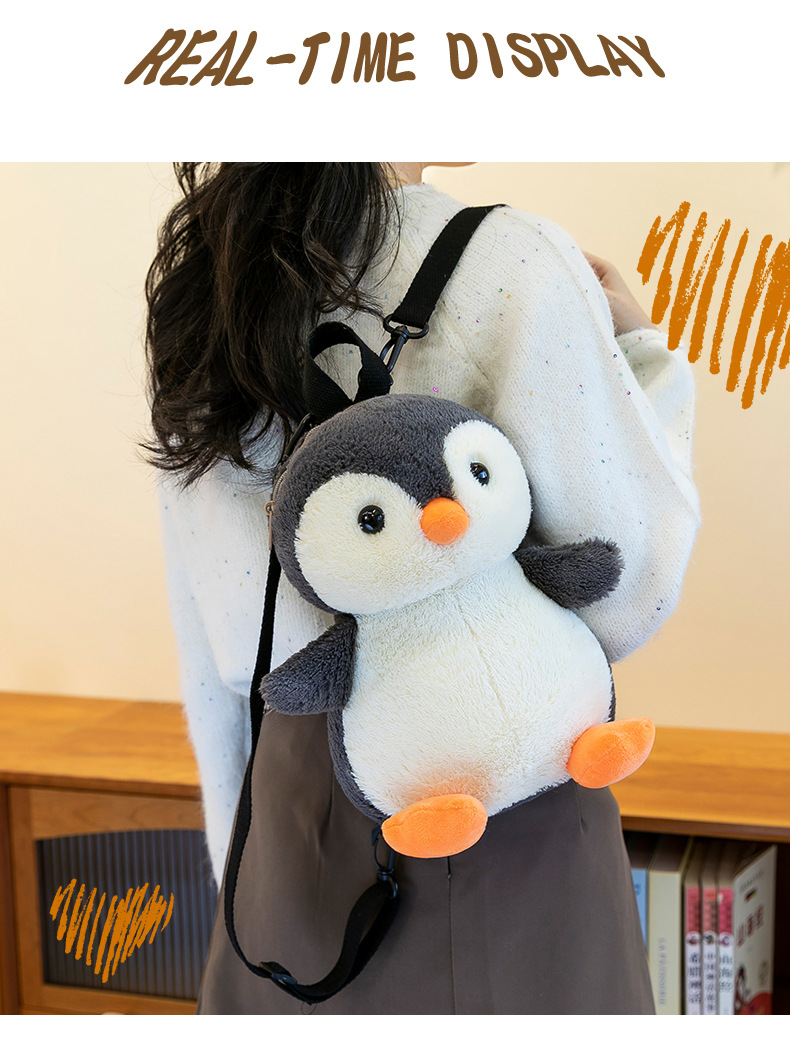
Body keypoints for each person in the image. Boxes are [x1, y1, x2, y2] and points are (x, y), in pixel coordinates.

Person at [146, 162, 700, 1013]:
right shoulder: (514, 264)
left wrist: (243, 862)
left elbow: (212, 643)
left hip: (286, 815)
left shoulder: (206, 284)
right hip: (500, 810)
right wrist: (642, 356)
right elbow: (630, 583)